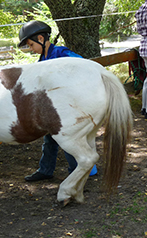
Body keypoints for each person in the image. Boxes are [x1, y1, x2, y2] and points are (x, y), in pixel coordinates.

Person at [18, 20, 98, 181]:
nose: (31, 50)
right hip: (53, 108)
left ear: (41, 38)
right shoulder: (41, 61)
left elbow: (83, 64)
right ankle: (46, 170)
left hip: (70, 106)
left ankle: (81, 171)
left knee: (67, 137)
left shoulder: (62, 54)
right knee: (49, 139)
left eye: (31, 45)